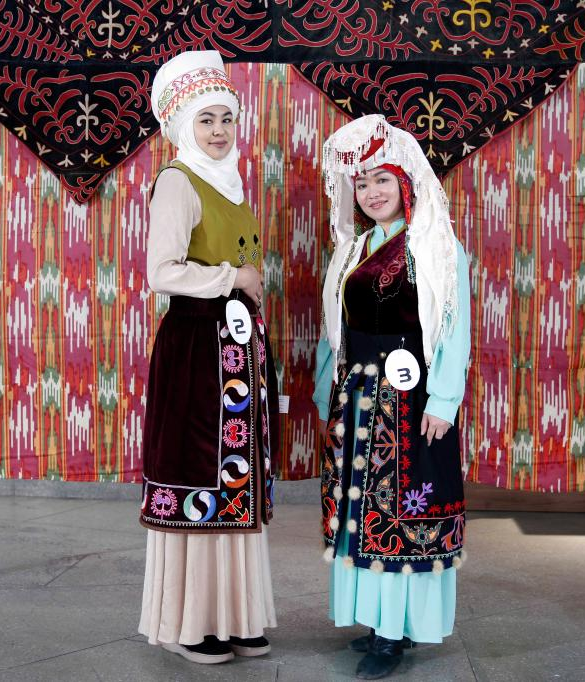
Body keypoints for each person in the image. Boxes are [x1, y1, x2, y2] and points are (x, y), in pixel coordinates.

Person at [313, 115, 471, 679]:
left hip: (410, 400)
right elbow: (335, 327)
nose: (371, 192)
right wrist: (326, 390)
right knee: (361, 509)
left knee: (404, 509)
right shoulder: (354, 248)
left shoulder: (435, 245)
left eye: (382, 179)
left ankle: (393, 633)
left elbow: (453, 327)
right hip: (358, 396)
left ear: (405, 182)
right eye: (361, 183)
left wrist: (443, 401)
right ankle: (378, 619)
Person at [137, 49, 278, 666]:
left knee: (235, 481)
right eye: (206, 119)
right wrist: (234, 278)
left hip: (235, 350)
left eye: (226, 118)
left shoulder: (230, 182)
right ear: (181, 124)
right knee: (198, 476)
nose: (219, 131)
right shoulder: (178, 180)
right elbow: (161, 272)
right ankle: (190, 622)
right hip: (197, 348)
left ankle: (234, 617)